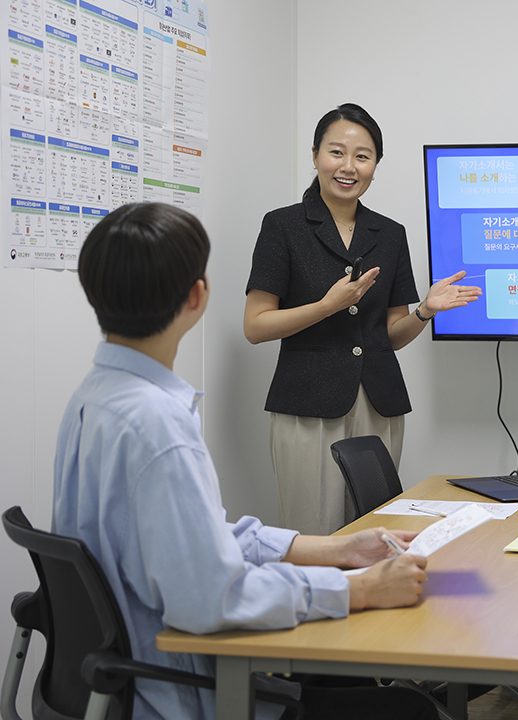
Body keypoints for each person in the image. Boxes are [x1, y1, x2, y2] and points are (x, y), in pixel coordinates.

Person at [53, 202, 437, 720]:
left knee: (336, 673)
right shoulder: (158, 425)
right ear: (197, 296)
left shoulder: (93, 397)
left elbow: (200, 539)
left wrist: (336, 549)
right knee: (407, 709)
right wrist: (359, 588)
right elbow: (214, 598)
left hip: (117, 676)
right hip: (180, 690)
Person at [244, 103, 480, 536]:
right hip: (307, 404)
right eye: (336, 152)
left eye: (363, 156)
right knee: (312, 532)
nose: (348, 166)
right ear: (315, 154)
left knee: (376, 530)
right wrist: (325, 307)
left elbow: (391, 334)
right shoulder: (282, 226)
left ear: (375, 164)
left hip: (378, 403)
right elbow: (255, 326)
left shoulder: (389, 234)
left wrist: (424, 311)